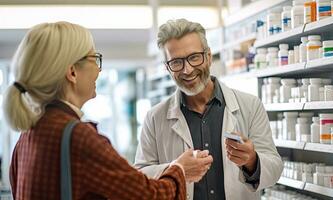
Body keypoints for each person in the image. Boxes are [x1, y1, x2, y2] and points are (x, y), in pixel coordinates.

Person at [3, 21, 213, 200]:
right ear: (72, 72)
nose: (98, 69)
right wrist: (180, 170)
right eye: (94, 58)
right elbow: (149, 196)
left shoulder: (27, 136)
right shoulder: (79, 138)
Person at [134, 18, 283, 200]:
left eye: (194, 57)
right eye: (176, 62)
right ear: (167, 67)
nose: (187, 70)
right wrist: (177, 169)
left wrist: (252, 160)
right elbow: (140, 177)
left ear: (209, 56)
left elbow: (275, 169)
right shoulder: (155, 117)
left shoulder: (250, 105)